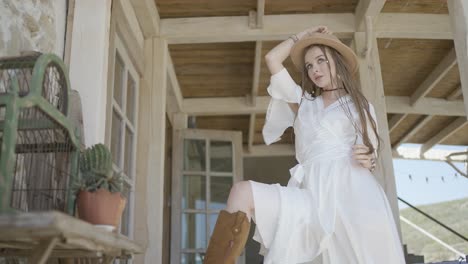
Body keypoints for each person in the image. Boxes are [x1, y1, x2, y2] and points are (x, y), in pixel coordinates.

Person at [203, 26, 405, 264]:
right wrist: (303, 36)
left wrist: (369, 158)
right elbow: (272, 59)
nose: (314, 69)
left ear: (337, 62)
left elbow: (369, 152)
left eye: (321, 60)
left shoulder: (360, 106)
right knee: (242, 192)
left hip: (352, 194)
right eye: (309, 65)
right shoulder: (303, 103)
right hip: (310, 196)